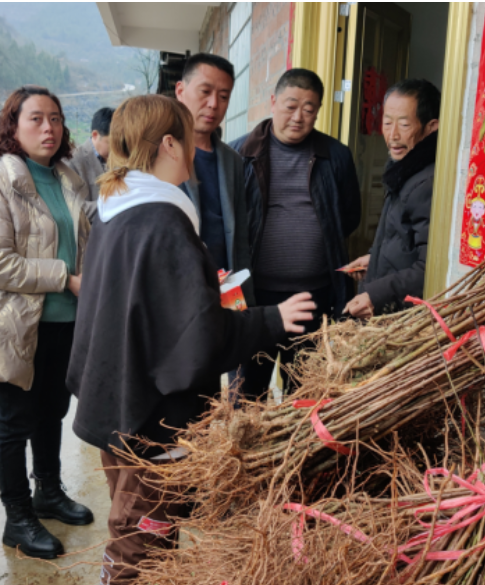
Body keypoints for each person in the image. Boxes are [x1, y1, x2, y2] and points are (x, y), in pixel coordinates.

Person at [66, 94, 315, 585]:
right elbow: (195, 340)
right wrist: (272, 319)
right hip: (153, 421)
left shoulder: (115, 212)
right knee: (140, 541)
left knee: (132, 523)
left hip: (114, 404)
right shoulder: (162, 220)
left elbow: (139, 311)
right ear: (167, 145)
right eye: (188, 139)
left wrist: (201, 289)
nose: (195, 153)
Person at [0, 85, 93, 560]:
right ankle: (17, 518)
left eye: (55, 118)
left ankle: (48, 493)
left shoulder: (71, 179)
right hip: (15, 324)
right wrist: (65, 278)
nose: (48, 128)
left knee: (53, 409)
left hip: (65, 321)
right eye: (35, 119)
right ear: (12, 127)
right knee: (15, 422)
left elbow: (87, 241)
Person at [230, 67, 361, 397]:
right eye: (291, 105)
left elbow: (349, 217)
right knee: (247, 397)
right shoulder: (238, 155)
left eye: (309, 108)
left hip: (314, 298)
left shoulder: (337, 156)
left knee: (305, 395)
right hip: (255, 301)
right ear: (273, 102)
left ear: (318, 111)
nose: (299, 116)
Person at [343, 78, 440, 318]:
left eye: (404, 124)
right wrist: (374, 261)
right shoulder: (404, 171)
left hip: (403, 318)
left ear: (431, 127)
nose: (392, 135)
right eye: (387, 123)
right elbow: (402, 241)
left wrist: (376, 295)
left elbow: (429, 268)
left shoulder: (426, 183)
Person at [175, 53, 253, 302]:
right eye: (205, 92)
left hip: (226, 285)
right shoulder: (160, 154)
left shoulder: (232, 160)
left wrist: (242, 301)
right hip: (179, 288)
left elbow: (239, 237)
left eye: (223, 97)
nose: (213, 104)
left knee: (226, 339)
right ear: (180, 90)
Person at [66, 106, 114, 220]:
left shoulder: (121, 157)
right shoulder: (73, 161)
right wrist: (116, 205)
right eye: (112, 142)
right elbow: (76, 208)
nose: (117, 148)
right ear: (95, 135)